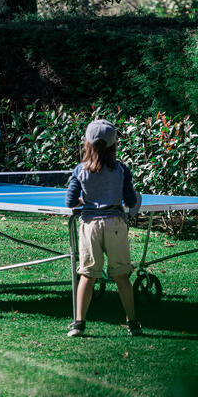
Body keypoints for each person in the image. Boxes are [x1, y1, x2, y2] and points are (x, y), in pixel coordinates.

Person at [65, 119, 143, 337]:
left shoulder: (80, 170)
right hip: (115, 224)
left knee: (87, 276)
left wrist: (83, 202)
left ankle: (79, 324)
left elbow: (70, 201)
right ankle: (132, 323)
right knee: (121, 276)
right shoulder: (121, 170)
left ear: (88, 144)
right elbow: (129, 200)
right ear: (114, 145)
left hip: (90, 225)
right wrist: (134, 201)